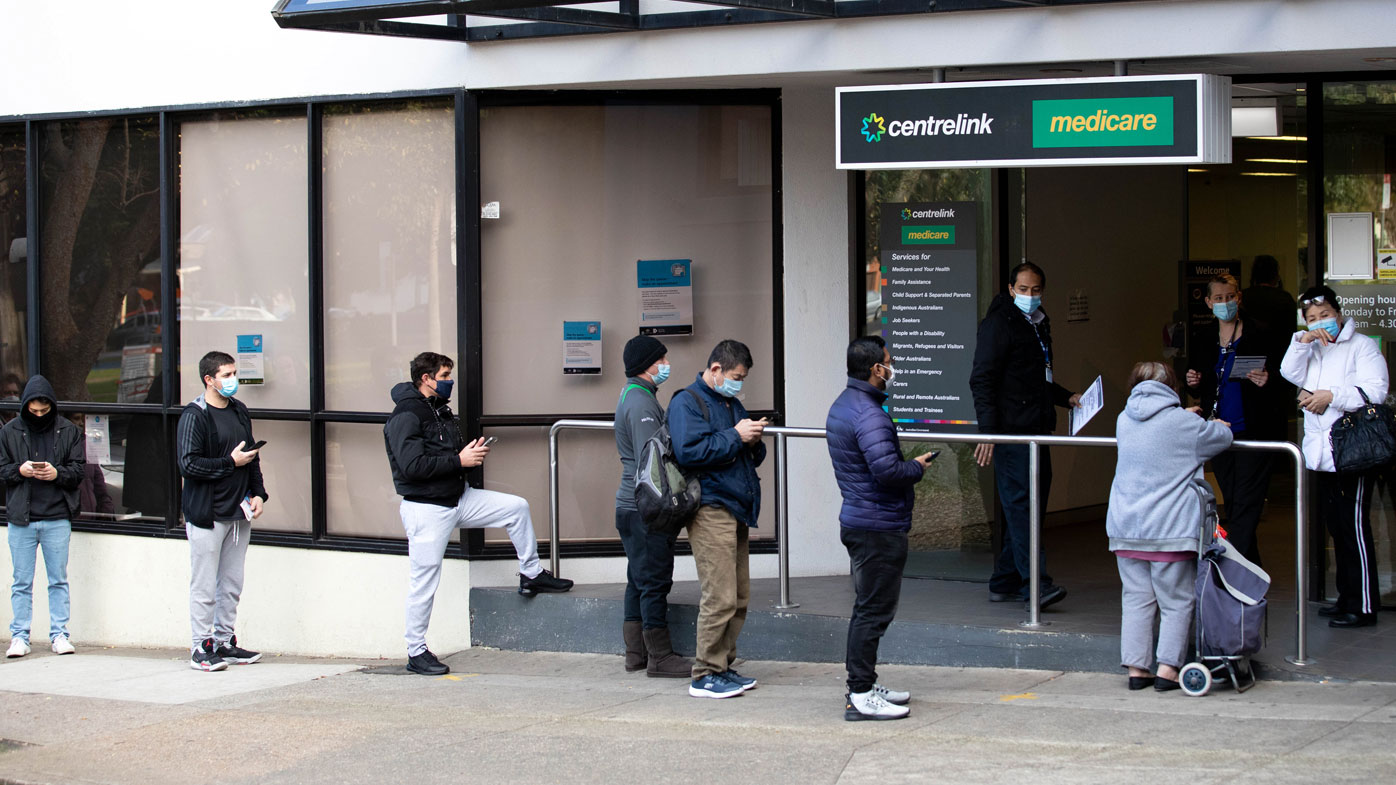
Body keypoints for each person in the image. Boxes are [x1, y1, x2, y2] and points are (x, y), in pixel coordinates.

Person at [385, 351, 573, 676]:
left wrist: (469, 454)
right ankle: (416, 652)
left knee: (516, 508)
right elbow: (411, 466)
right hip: (427, 508)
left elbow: (444, 453)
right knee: (424, 582)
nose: (449, 382)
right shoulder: (407, 414)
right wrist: (460, 461)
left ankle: (531, 575)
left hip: (459, 498)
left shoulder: (438, 409)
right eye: (445, 376)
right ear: (426, 379)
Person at [826, 336, 936, 721]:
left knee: (869, 608)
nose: (892, 367)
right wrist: (917, 468)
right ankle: (859, 693)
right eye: (889, 361)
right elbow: (887, 471)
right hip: (877, 526)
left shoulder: (845, 405)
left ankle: (865, 683)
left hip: (863, 519)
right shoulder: (869, 414)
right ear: (876, 369)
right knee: (873, 611)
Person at [1107, 362, 1233, 692]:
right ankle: (1167, 670)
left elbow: (1156, 434)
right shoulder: (1183, 423)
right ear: (1173, 388)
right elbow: (1221, 435)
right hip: (1168, 530)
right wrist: (1205, 421)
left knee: (1136, 599)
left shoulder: (1124, 419)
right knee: (1176, 601)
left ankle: (1137, 669)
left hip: (1125, 528)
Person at [969, 261, 1079, 609]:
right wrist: (988, 432)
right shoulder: (999, 324)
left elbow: (1037, 378)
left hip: (1034, 428)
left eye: (1036, 290)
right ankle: (1037, 584)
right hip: (1011, 432)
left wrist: (1067, 398)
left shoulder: (1038, 324)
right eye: (1023, 289)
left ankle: (1005, 579)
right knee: (1022, 508)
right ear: (1011, 288)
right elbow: (982, 379)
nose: (1030, 296)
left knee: (1030, 505)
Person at [1280, 286, 1390, 629]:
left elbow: (1376, 390)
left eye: (1325, 315)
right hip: (1323, 452)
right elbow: (1289, 372)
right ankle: (1346, 598)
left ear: (1338, 313)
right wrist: (1302, 342)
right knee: (1337, 527)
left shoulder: (1362, 346)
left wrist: (1330, 396)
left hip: (1353, 449)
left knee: (1354, 527)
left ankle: (1364, 605)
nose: (1320, 322)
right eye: (1312, 318)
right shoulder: (1311, 347)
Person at [669, 339, 766, 699]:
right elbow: (690, 452)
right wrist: (735, 435)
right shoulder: (686, 403)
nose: (740, 383)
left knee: (739, 596)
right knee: (720, 596)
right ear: (715, 370)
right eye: (736, 376)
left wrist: (753, 440)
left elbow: (747, 455)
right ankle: (705, 672)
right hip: (710, 508)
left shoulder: (730, 402)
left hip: (736, 507)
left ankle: (723, 666)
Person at [178, 351, 268, 672]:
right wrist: (229, 463)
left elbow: (251, 456)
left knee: (231, 581)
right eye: (227, 375)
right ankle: (200, 647)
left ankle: (224, 641)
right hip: (206, 513)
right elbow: (188, 464)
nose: (233, 380)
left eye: (234, 373)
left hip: (238, 513)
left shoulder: (240, 411)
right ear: (209, 379)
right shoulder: (195, 415)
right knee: (204, 584)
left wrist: (258, 493)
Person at [1184, 273, 1280, 565]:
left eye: (1230, 297)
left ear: (1239, 297)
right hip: (1220, 430)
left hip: (1254, 428)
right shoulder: (1203, 337)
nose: (1225, 303)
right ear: (1209, 302)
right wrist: (1193, 381)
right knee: (1235, 502)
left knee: (1247, 504)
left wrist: (1269, 380)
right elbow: (1200, 382)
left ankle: (1229, 566)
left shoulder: (1260, 332)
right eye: (1219, 298)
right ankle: (1250, 571)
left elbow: (1285, 377)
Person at [613, 335, 689, 678]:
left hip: (630, 505)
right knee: (655, 580)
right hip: (644, 508)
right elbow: (653, 460)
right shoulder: (641, 402)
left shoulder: (633, 394)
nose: (666, 364)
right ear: (649, 364)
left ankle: (635, 653)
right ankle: (660, 657)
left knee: (638, 578)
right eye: (663, 359)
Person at [1, 376, 83, 658]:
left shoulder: (68, 430)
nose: (38, 416)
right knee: (21, 581)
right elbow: (2, 470)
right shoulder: (10, 430)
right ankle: (20, 636)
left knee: (57, 579)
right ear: (25, 407)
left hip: (57, 516)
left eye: (43, 411)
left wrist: (57, 473)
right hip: (21, 518)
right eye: (33, 411)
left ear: (51, 406)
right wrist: (19, 471)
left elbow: (78, 471)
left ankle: (59, 634)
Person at [68, 413, 115, 516]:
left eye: (83, 419)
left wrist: (106, 508)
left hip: (90, 516)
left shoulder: (87, 445)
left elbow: (99, 483)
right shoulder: (58, 447)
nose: (81, 423)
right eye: (76, 419)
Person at [1241, 255, 1299, 338]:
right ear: (1276, 275)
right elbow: (1292, 330)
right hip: (1279, 347)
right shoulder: (1284, 298)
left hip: (1248, 347)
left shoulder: (1242, 297)